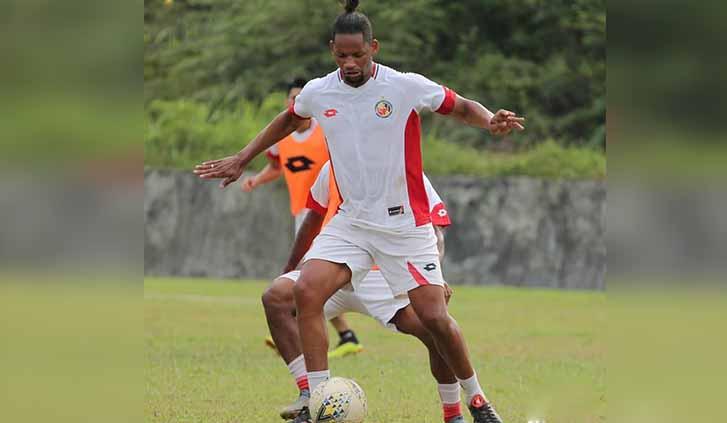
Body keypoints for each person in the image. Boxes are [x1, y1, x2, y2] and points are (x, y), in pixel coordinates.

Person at [194, 1, 524, 421]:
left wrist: (488, 120)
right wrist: (244, 156)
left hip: (404, 226)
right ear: (332, 49)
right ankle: (317, 402)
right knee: (305, 291)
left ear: (374, 48)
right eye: (341, 55)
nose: (349, 63)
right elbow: (287, 120)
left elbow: (457, 105)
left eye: (358, 55)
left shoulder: (403, 86)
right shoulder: (318, 91)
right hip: (352, 223)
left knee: (436, 320)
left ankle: (477, 402)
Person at [264, 162, 464, 422]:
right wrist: (291, 268)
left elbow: (435, 228)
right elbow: (314, 217)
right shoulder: (333, 165)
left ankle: (453, 414)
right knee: (276, 298)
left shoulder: (398, 164)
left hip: (382, 275)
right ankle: (311, 397)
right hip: (332, 270)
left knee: (434, 330)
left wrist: (433, 276)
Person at [243, 78, 364, 359]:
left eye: (301, 97)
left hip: (332, 214)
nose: (297, 102)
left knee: (312, 276)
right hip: (304, 214)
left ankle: (299, 322)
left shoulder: (326, 132)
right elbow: (276, 167)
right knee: (309, 276)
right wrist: (256, 181)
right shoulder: (281, 141)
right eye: (292, 98)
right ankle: (344, 334)